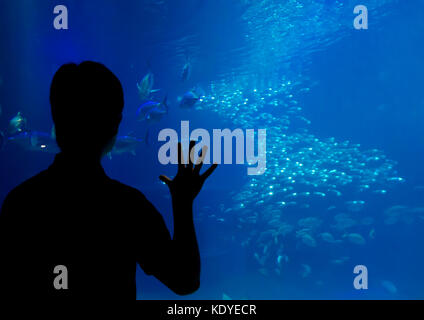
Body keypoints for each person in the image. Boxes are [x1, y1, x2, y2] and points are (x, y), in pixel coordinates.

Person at [0, 61, 217, 300]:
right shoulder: (128, 207)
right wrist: (182, 202)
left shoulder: (19, 203)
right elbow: (185, 280)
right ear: (115, 126)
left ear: (55, 123)